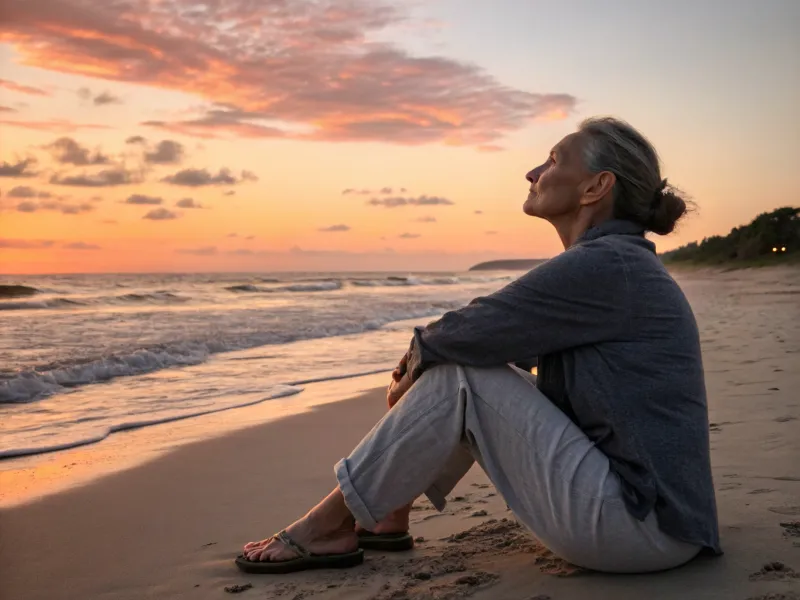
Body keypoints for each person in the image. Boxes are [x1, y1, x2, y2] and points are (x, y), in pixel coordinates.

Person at [237, 116, 722, 575]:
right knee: (469, 366)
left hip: (639, 528)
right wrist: (430, 357)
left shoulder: (607, 264)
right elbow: (492, 338)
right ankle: (386, 516)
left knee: (460, 373)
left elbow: (466, 331)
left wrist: (416, 362)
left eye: (554, 160)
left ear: (596, 187)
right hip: (659, 525)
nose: (533, 172)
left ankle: (329, 524)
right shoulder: (618, 265)